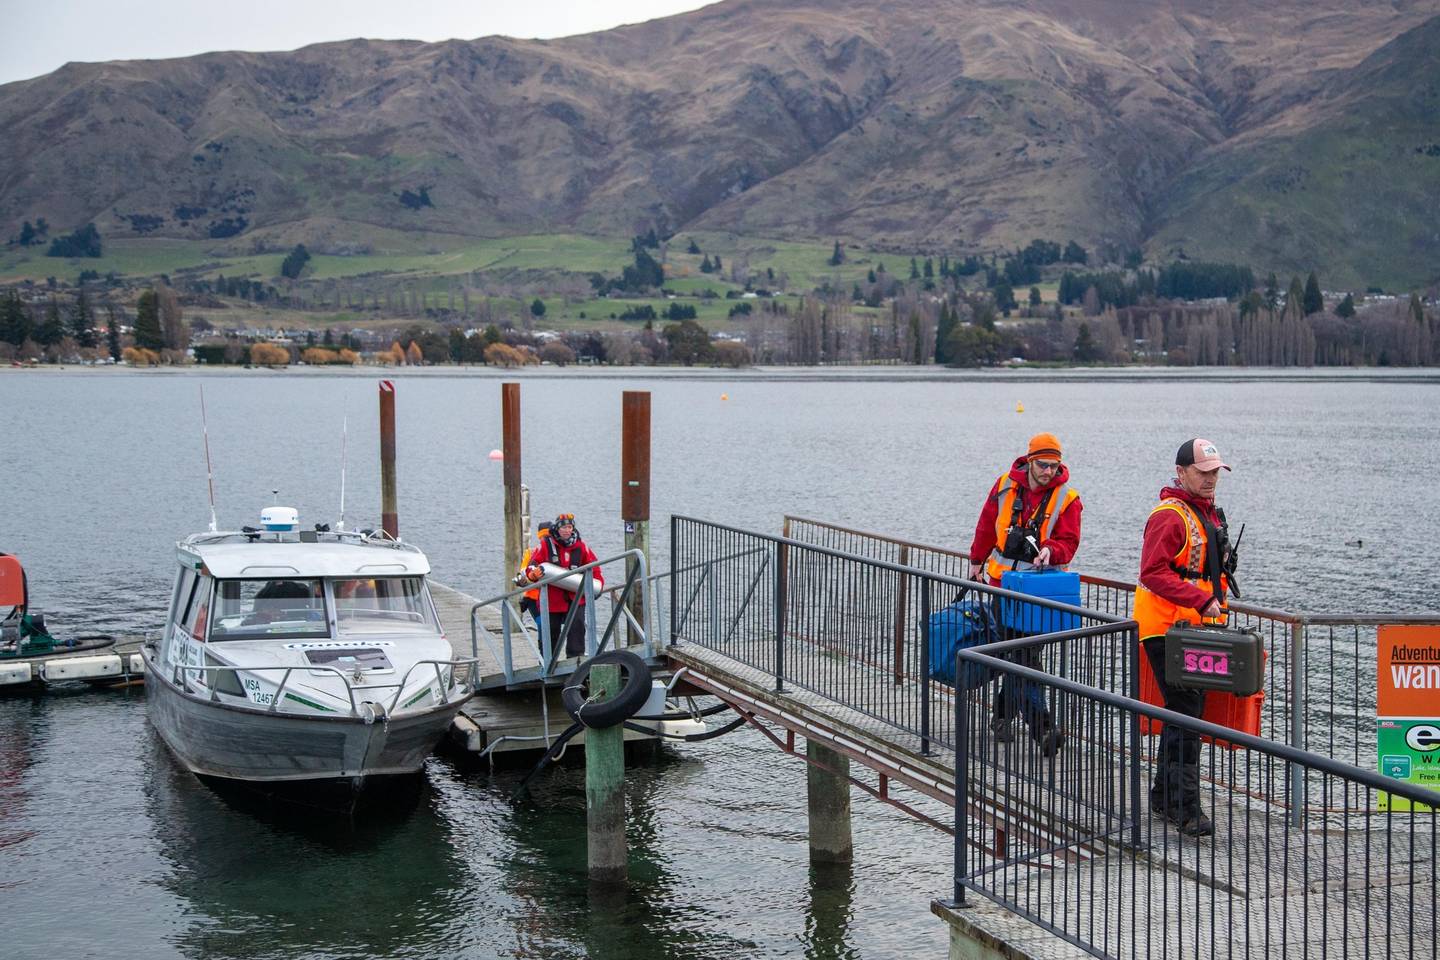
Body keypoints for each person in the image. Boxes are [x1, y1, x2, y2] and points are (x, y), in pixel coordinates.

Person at [1133, 438, 1239, 838]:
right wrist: (1201, 597)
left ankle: (1166, 797)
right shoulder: (1170, 515)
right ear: (1181, 473)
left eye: (1215, 472)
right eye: (1203, 472)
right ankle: (1185, 808)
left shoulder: (1204, 513)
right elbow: (1152, 572)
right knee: (1186, 713)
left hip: (1192, 629)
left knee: (1185, 713)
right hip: (1166, 629)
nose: (1211, 479)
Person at [967, 432, 1083, 755]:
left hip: (1039, 591)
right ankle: (1042, 728)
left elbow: (1070, 542)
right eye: (1043, 465)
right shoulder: (1005, 485)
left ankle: (1003, 716)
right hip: (1003, 586)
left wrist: (1051, 550)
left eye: (1054, 466)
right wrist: (977, 559)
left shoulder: (1068, 497)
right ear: (1030, 461)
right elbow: (986, 524)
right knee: (1023, 656)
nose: (1049, 472)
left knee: (1021, 655)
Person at [524, 513, 603, 659]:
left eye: (569, 527)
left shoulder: (581, 547)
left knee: (576, 630)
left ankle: (575, 662)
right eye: (564, 528)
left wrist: (598, 585)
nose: (567, 530)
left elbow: (595, 568)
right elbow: (531, 566)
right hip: (552, 600)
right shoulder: (546, 546)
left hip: (576, 598)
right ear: (557, 529)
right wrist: (532, 574)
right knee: (550, 634)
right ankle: (548, 664)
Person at [516, 521, 551, 626]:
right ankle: (542, 642)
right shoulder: (531, 553)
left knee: (554, 625)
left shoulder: (557, 553)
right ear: (539, 537)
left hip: (552, 597)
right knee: (542, 623)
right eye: (543, 536)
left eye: (549, 536)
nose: (546, 539)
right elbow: (523, 572)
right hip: (533, 597)